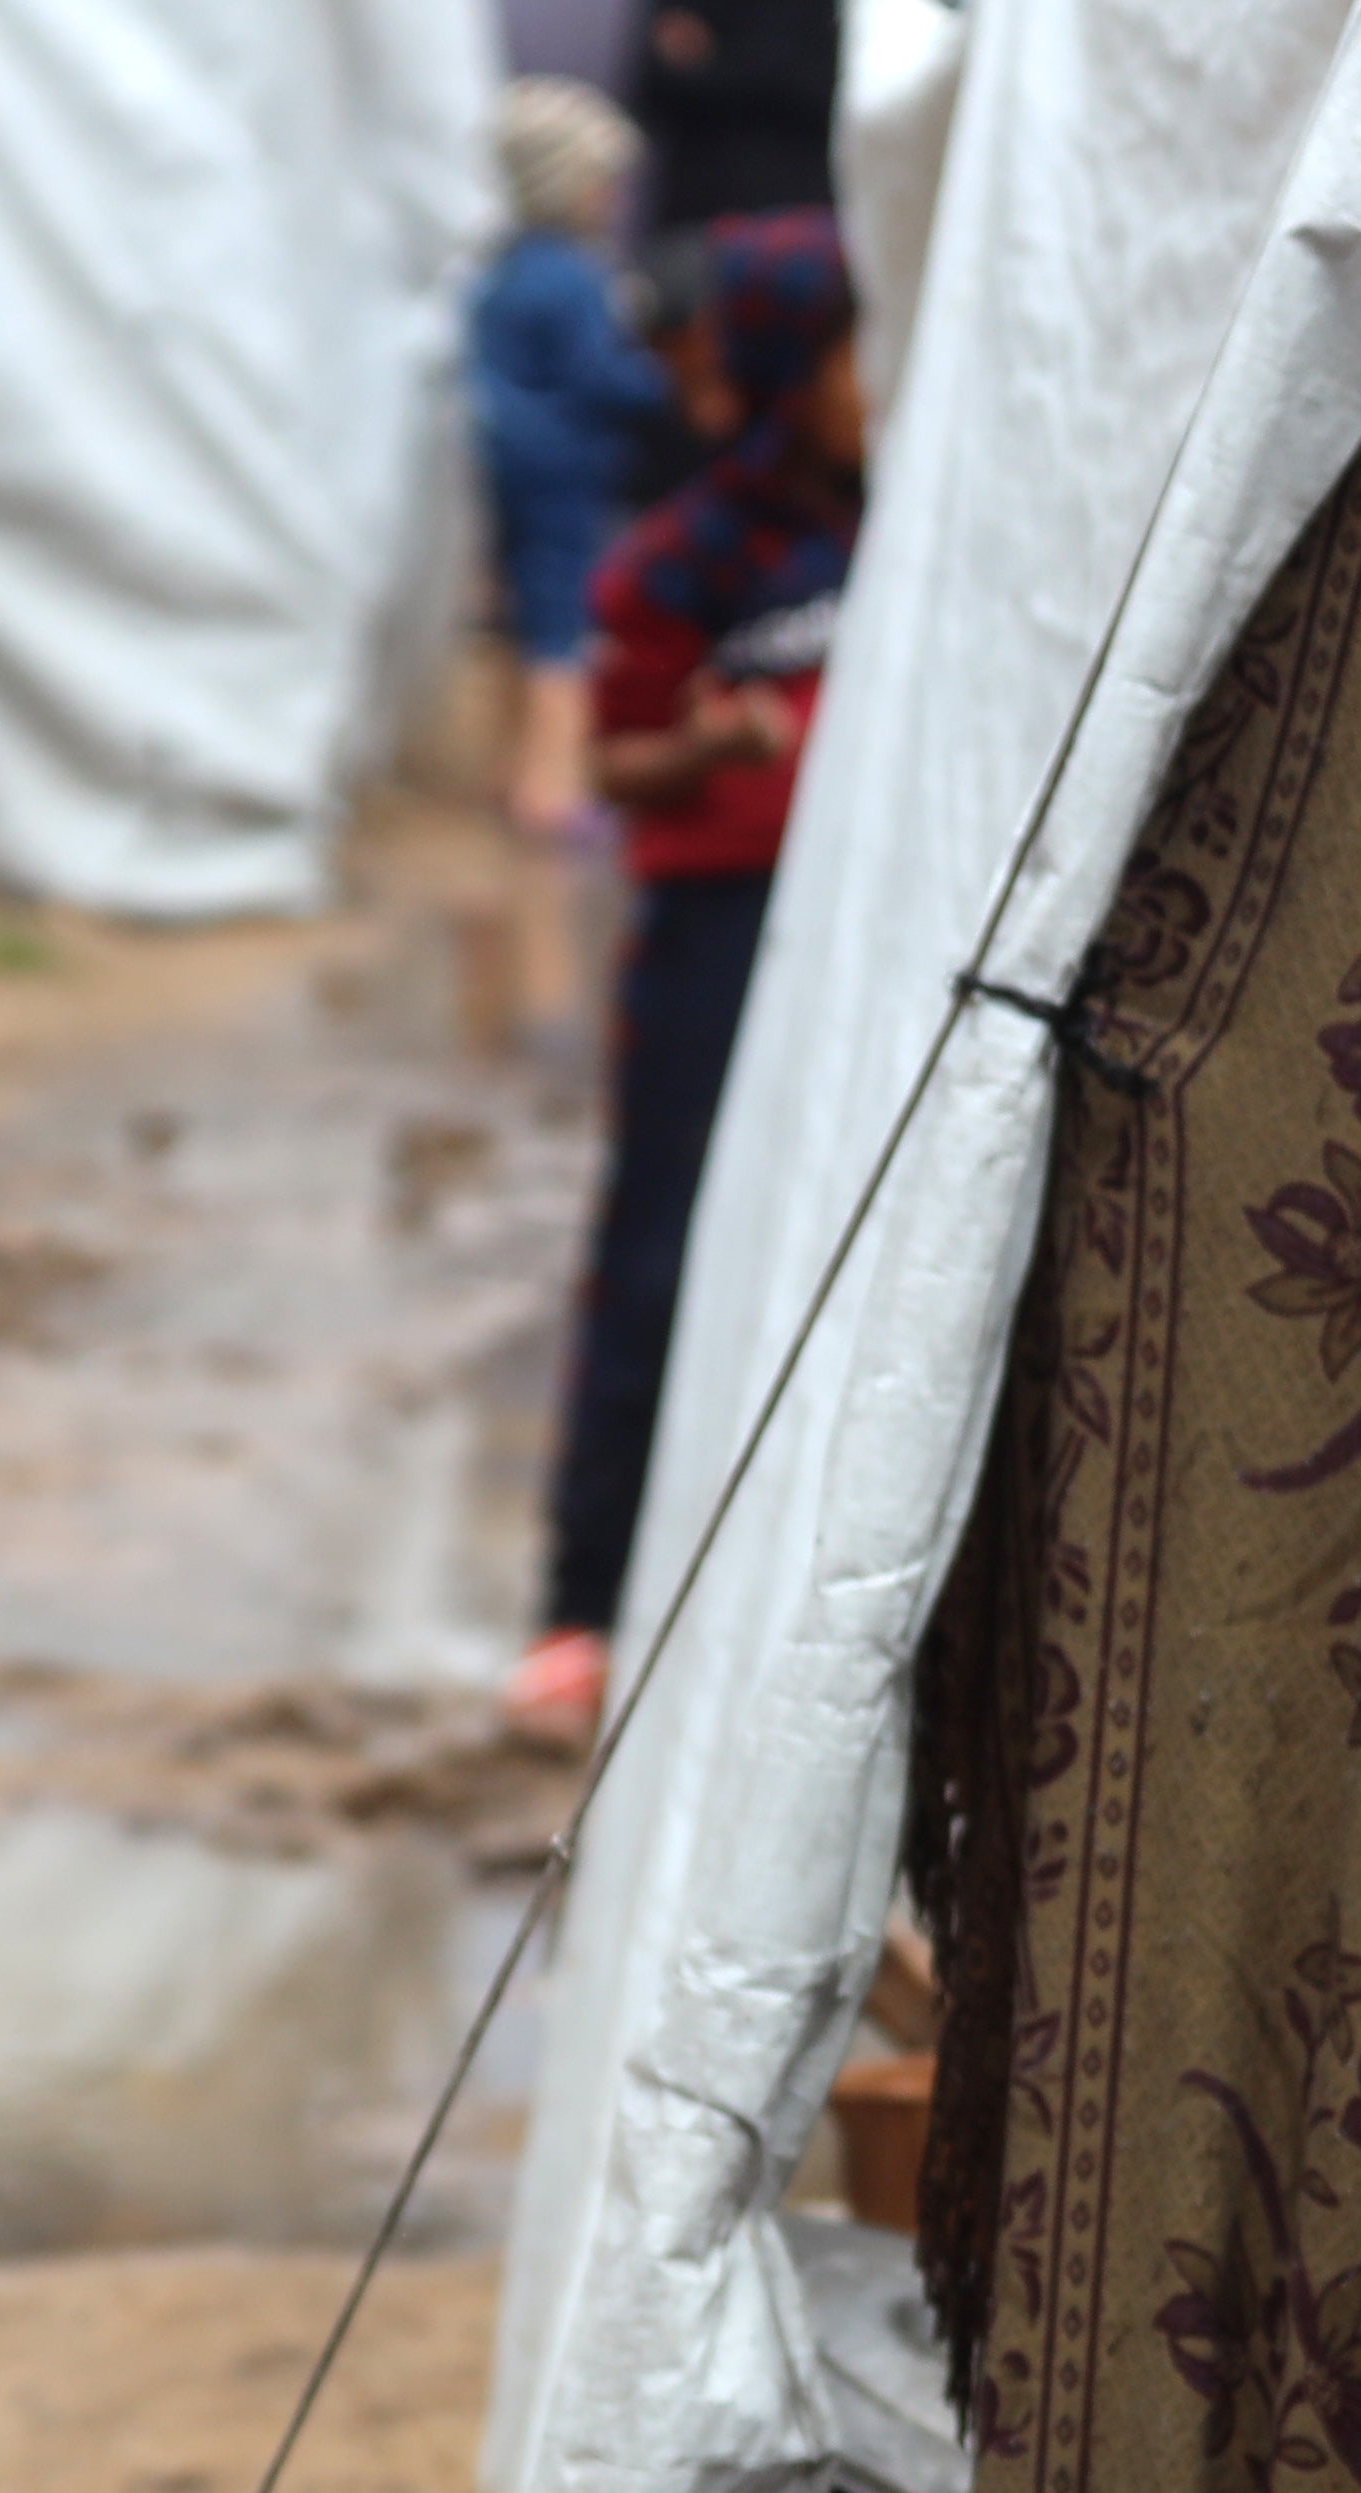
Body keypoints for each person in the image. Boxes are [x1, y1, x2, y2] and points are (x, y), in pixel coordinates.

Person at [509, 215, 858, 1751]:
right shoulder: (689, 558)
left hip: (868, 938)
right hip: (714, 935)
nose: (880, 382)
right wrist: (707, 752)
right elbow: (610, 762)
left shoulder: (925, 532)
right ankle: (583, 1609)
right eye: (852, 354)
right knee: (659, 1254)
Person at [467, 80, 678, 838]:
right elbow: (604, 377)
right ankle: (552, 788)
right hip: (564, 476)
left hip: (507, 469)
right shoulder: (576, 279)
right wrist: (661, 378)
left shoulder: (502, 271)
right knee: (561, 634)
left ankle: (510, 768)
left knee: (516, 626)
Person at [626, 0, 841, 223]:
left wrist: (717, 63)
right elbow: (657, 83)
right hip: (702, 205)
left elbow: (831, 91)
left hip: (806, 215)